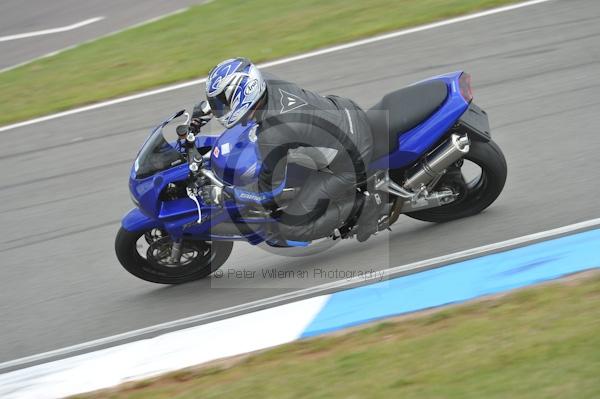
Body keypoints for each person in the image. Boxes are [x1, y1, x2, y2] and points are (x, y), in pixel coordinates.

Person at [191, 57, 383, 242]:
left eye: (222, 103)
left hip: (350, 159)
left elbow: (268, 193)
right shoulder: (266, 82)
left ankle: (364, 206)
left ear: (242, 96)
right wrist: (208, 109)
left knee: (289, 227)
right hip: (346, 110)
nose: (220, 109)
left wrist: (225, 193)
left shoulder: (272, 135)